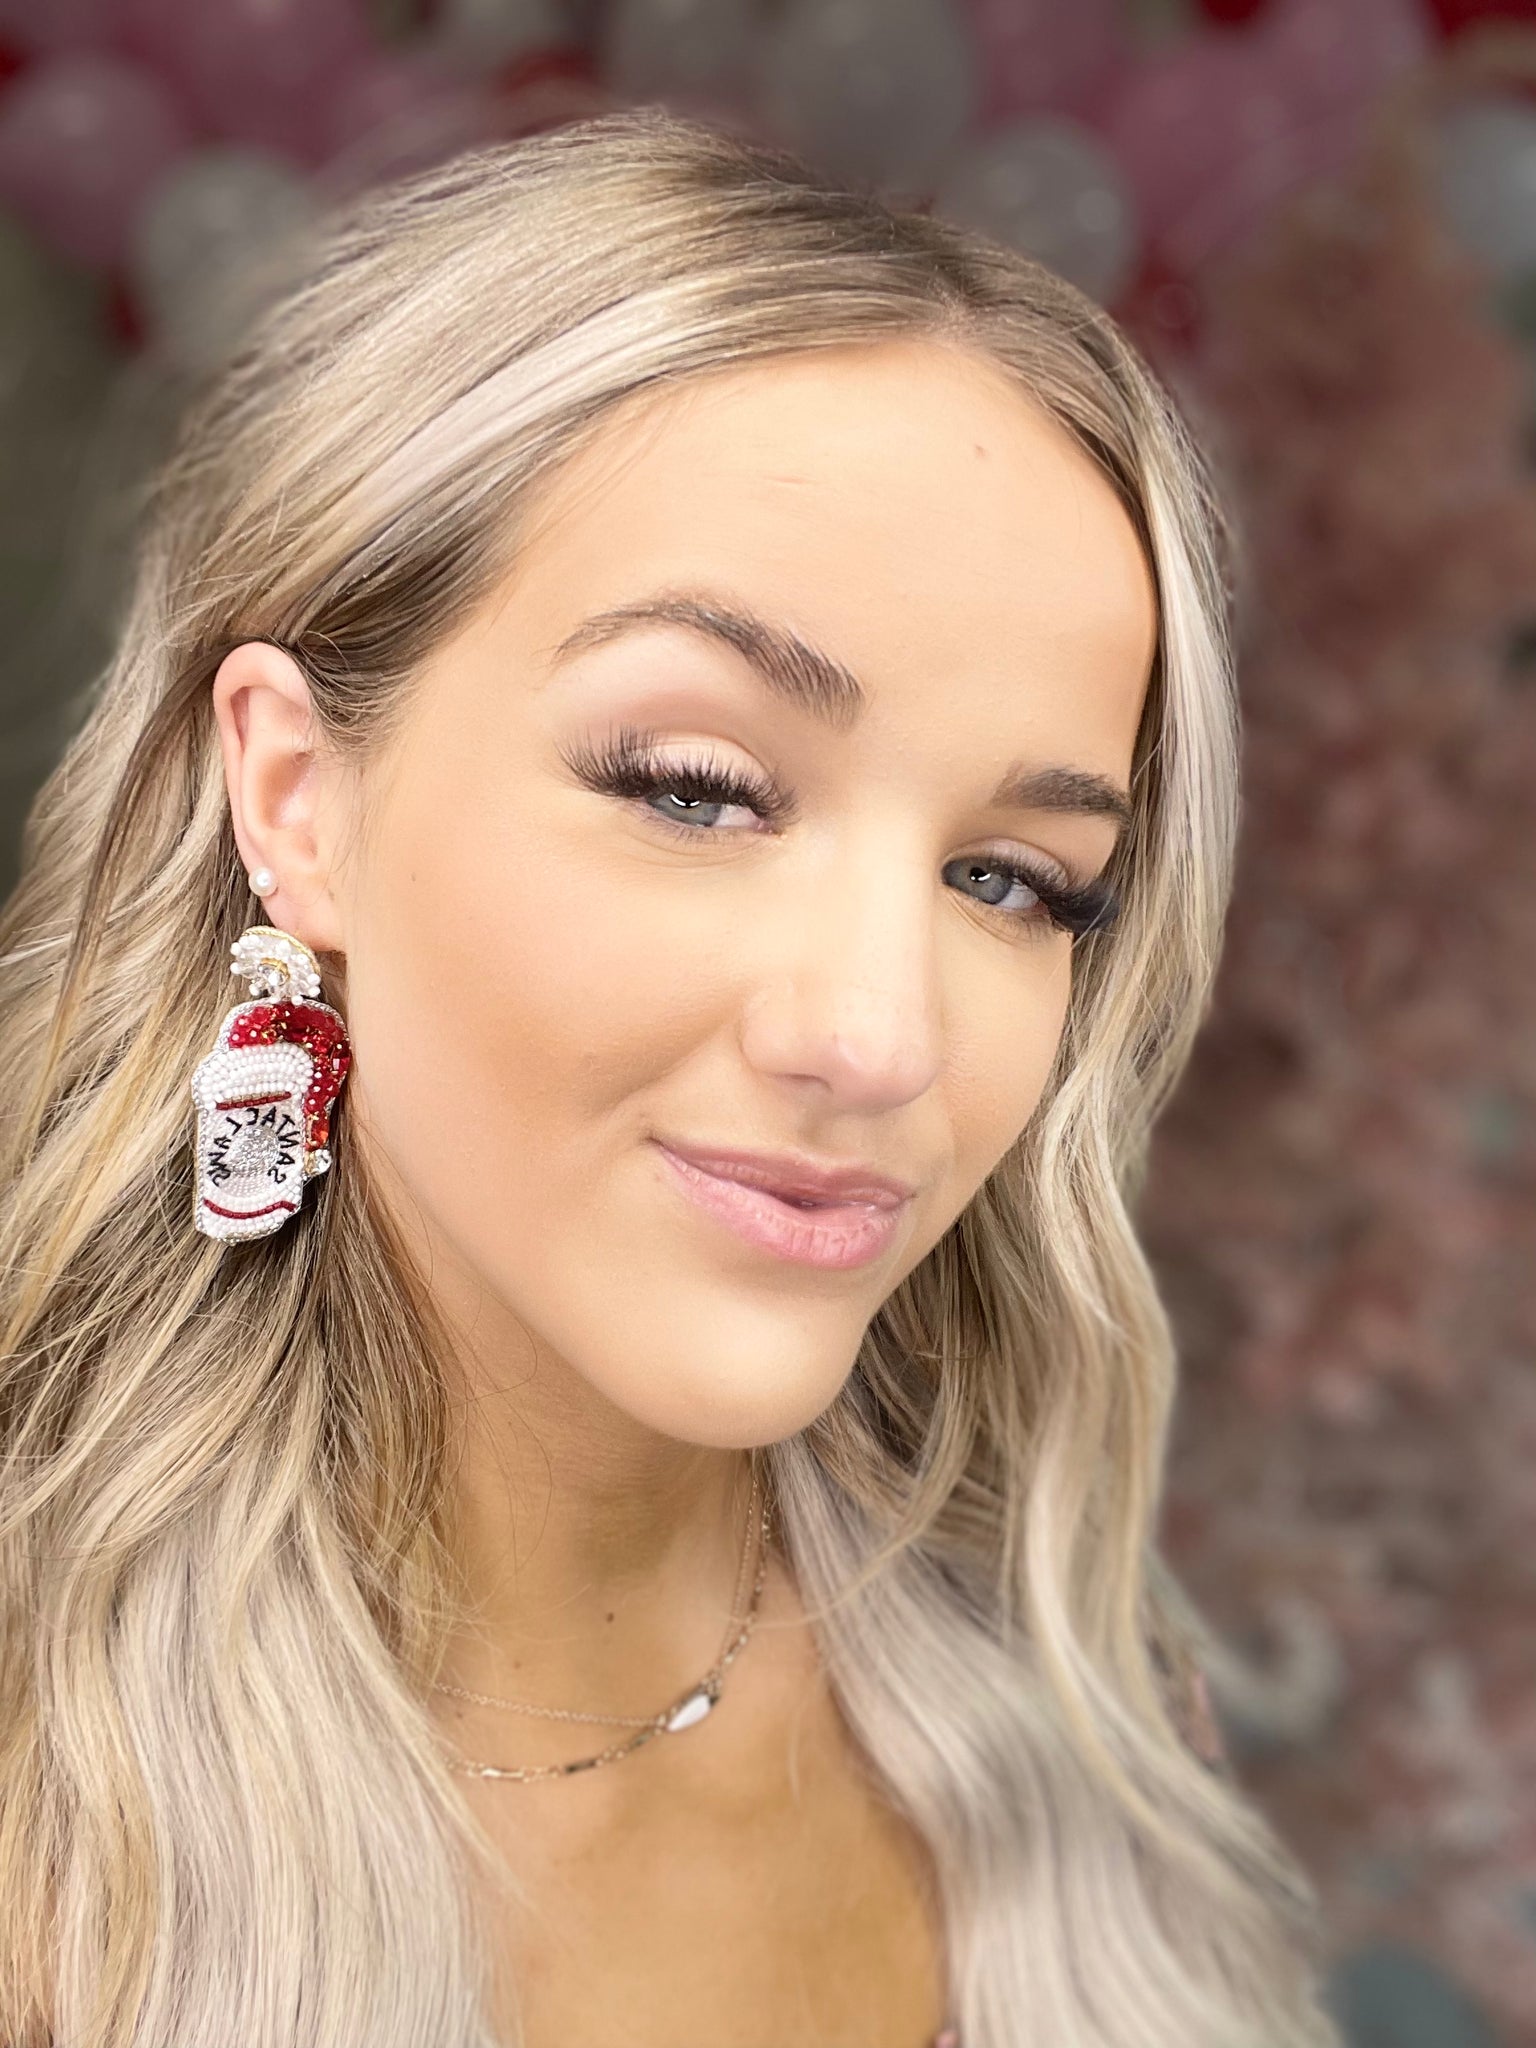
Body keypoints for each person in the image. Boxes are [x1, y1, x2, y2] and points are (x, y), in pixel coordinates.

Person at [0, 107, 1342, 2048]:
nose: (879, 1039)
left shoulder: (1088, 1706)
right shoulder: (42, 1823)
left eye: (1012, 881)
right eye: (698, 791)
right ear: (296, 798)